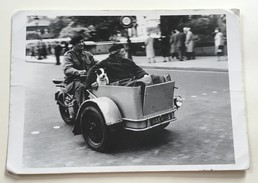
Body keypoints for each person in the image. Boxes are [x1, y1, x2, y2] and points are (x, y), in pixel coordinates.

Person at [86, 44, 170, 89]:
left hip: (130, 82)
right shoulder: (106, 62)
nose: (124, 53)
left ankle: (163, 80)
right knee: (139, 83)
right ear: (116, 53)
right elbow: (93, 70)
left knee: (152, 77)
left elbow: (137, 70)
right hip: (119, 85)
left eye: (124, 51)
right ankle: (161, 79)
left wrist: (144, 74)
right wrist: (90, 84)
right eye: (122, 51)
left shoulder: (127, 61)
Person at [63, 35, 98, 109]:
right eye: (79, 42)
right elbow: (67, 68)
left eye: (82, 42)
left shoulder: (87, 54)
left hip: (87, 79)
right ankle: (83, 109)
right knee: (81, 87)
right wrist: (78, 72)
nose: (82, 44)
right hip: (73, 81)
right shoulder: (68, 55)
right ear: (74, 44)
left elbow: (97, 63)